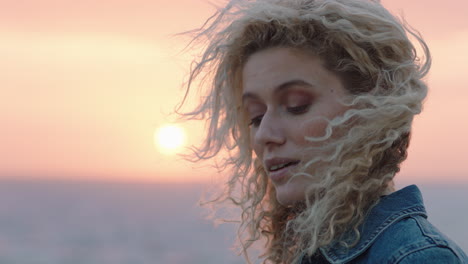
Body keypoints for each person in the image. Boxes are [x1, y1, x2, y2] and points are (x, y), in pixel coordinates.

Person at [177, 0, 468, 263]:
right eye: (255, 116)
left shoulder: (417, 258)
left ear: (374, 111)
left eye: (296, 105)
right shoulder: (315, 252)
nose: (265, 134)